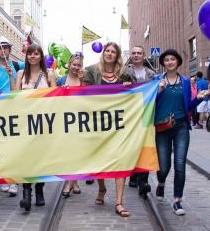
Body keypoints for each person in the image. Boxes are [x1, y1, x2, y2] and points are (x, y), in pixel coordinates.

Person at [84, 42, 134, 218]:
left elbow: (136, 95)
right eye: (108, 51)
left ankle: (119, 202)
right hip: (98, 123)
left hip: (120, 124)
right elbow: (84, 94)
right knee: (100, 159)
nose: (110, 54)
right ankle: (101, 188)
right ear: (103, 53)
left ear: (117, 55)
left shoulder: (125, 73)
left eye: (114, 52)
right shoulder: (91, 71)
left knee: (120, 160)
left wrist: (129, 87)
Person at [153, 49, 196, 216]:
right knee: (163, 166)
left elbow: (188, 107)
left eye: (173, 59)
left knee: (180, 164)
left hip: (181, 127)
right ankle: (161, 182)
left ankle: (177, 200)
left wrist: (198, 98)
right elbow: (148, 102)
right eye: (167, 60)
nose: (170, 62)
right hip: (162, 127)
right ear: (163, 63)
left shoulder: (185, 82)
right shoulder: (157, 80)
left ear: (178, 62)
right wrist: (158, 91)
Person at [15, 44, 57, 211]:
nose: (33, 56)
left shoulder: (49, 74)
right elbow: (13, 96)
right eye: (30, 54)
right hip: (24, 123)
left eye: (36, 54)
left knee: (41, 158)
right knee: (26, 157)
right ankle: (26, 192)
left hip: (44, 123)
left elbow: (57, 97)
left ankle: (39, 189)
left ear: (41, 56)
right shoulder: (20, 74)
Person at [0, 37, 24, 197]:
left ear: (9, 50)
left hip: (14, 110)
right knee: (3, 146)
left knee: (14, 145)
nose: (2, 50)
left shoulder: (18, 65)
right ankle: (6, 178)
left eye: (5, 47)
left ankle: (14, 180)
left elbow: (37, 68)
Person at [125, 46, 155, 197]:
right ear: (131, 56)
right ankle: (133, 174)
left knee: (145, 146)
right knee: (133, 146)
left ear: (144, 56)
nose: (136, 55)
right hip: (130, 117)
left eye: (139, 53)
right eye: (134, 53)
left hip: (146, 116)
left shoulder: (152, 74)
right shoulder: (124, 73)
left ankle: (143, 180)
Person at [57, 52, 85, 198]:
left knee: (76, 153)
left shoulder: (84, 79)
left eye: (79, 65)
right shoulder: (61, 79)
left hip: (79, 121)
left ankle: (69, 183)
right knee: (67, 153)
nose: (76, 67)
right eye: (74, 64)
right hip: (63, 121)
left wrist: (83, 83)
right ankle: (73, 182)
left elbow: (89, 98)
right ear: (69, 65)